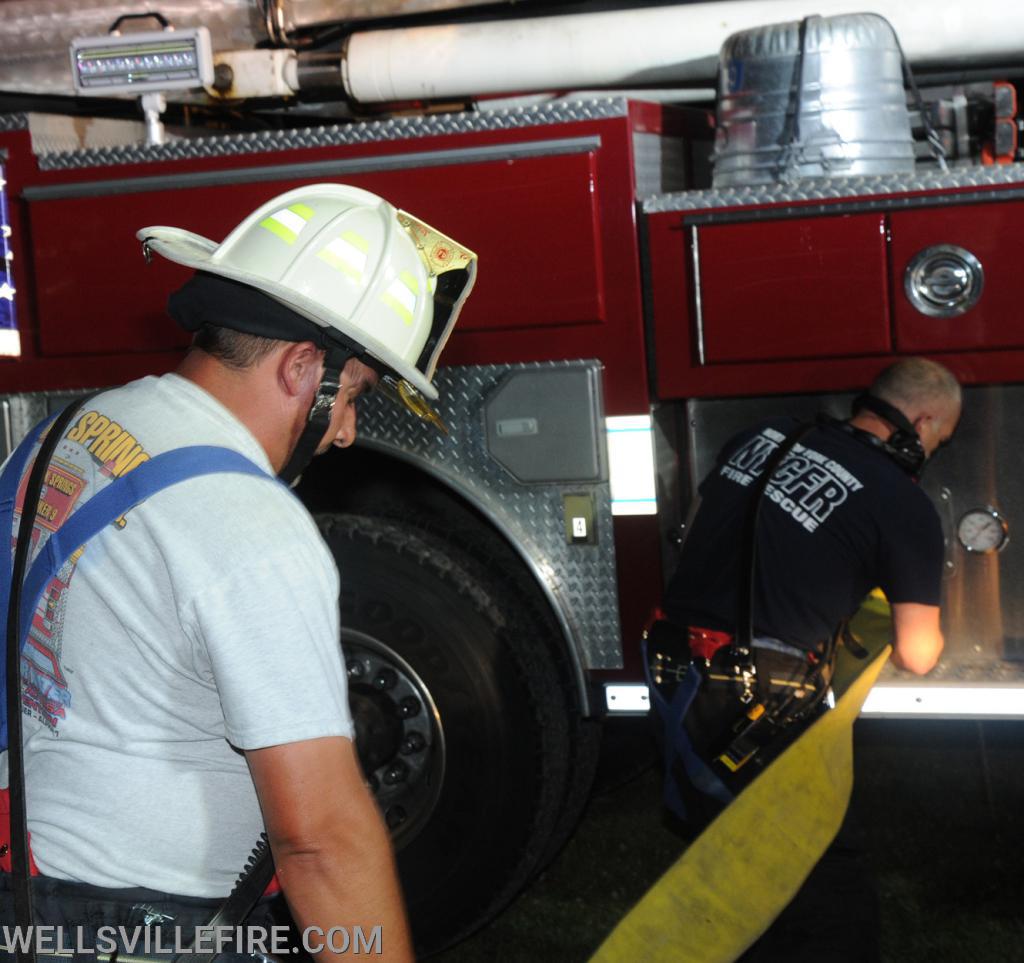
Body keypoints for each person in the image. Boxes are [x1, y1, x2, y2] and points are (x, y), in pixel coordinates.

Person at [0, 183, 477, 959]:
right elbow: (320, 839)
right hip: (148, 927)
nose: (348, 432)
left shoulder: (71, 431)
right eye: (353, 394)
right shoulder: (247, 519)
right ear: (301, 366)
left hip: (31, 895)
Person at [652, 356, 961, 960]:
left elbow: (697, 529)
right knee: (825, 884)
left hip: (672, 669)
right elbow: (920, 654)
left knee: (737, 859)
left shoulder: (763, 436)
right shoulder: (901, 502)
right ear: (924, 423)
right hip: (753, 696)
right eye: (940, 440)